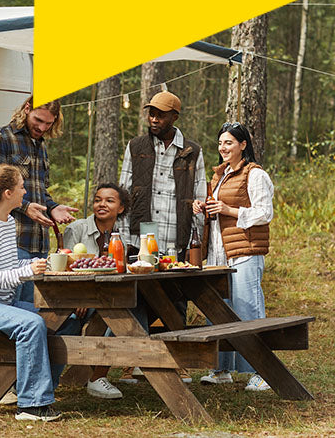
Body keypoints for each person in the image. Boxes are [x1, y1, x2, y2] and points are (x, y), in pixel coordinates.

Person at [0, 165, 80, 422]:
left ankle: (39, 387)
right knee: (32, 324)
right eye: (21, 187)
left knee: (66, 320)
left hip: (4, 302)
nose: (25, 191)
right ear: (7, 193)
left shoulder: (7, 222)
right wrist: (25, 273)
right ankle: (32, 406)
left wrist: (37, 264)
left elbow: (10, 267)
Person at [118, 90, 206, 384]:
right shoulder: (136, 146)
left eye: (160, 114)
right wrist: (122, 233)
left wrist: (198, 237)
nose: (153, 119)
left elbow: (200, 195)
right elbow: (124, 191)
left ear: (174, 117)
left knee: (176, 299)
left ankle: (174, 362)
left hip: (176, 234)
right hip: (144, 231)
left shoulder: (191, 150)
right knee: (139, 297)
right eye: (151, 113)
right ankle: (136, 362)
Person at [193, 121, 274, 391]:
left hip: (245, 252)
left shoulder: (255, 174)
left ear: (243, 145)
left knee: (247, 309)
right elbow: (218, 212)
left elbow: (264, 212)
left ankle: (261, 372)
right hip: (218, 253)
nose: (223, 148)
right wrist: (203, 207)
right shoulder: (220, 175)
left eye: (228, 142)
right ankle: (221, 369)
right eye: (220, 143)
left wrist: (229, 209)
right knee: (219, 309)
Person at [0, 96, 77, 303]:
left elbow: (41, 191)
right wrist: (25, 208)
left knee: (34, 305)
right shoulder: (1, 137)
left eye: (48, 123)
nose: (42, 127)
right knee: (13, 306)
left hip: (39, 242)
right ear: (27, 109)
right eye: (38, 120)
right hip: (12, 239)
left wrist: (52, 208)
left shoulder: (40, 146)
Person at [63, 182, 131, 399]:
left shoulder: (120, 238)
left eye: (109, 201)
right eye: (98, 200)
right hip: (74, 300)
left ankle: (97, 377)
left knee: (128, 311)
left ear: (120, 208)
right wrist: (83, 296)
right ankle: (95, 375)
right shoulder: (77, 229)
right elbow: (67, 269)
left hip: (103, 299)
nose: (102, 204)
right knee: (115, 313)